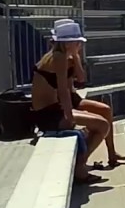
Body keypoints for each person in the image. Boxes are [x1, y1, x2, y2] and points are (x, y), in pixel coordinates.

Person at [29, 21, 117, 184]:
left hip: (52, 109)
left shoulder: (62, 55)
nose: (79, 44)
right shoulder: (59, 58)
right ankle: (79, 166)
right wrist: (70, 116)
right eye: (77, 42)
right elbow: (63, 91)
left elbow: (81, 79)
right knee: (102, 125)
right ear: (68, 43)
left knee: (102, 118)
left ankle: (97, 157)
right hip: (48, 114)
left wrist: (76, 56)